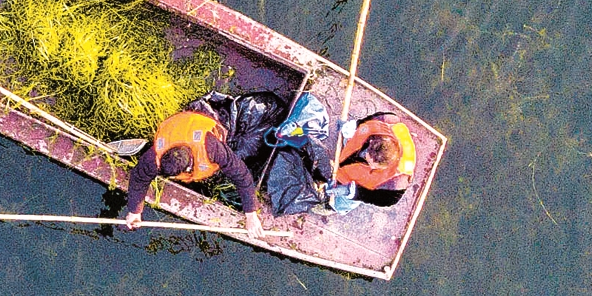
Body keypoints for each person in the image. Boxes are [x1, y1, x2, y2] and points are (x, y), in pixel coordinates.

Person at [256, 94, 419, 218]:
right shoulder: (385, 122)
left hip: (356, 185)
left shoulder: (395, 184)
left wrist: (353, 192)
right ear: (374, 141)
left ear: (382, 166)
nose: (366, 159)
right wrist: (355, 125)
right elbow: (370, 121)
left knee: (344, 201)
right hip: (360, 146)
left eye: (372, 164)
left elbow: (383, 200)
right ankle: (345, 156)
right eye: (368, 154)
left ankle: (332, 207)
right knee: (349, 142)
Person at [119, 104, 264, 232]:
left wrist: (251, 214)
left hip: (208, 126)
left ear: (189, 166)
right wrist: (134, 211)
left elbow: (241, 175)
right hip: (182, 126)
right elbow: (139, 178)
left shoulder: (211, 148)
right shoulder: (155, 157)